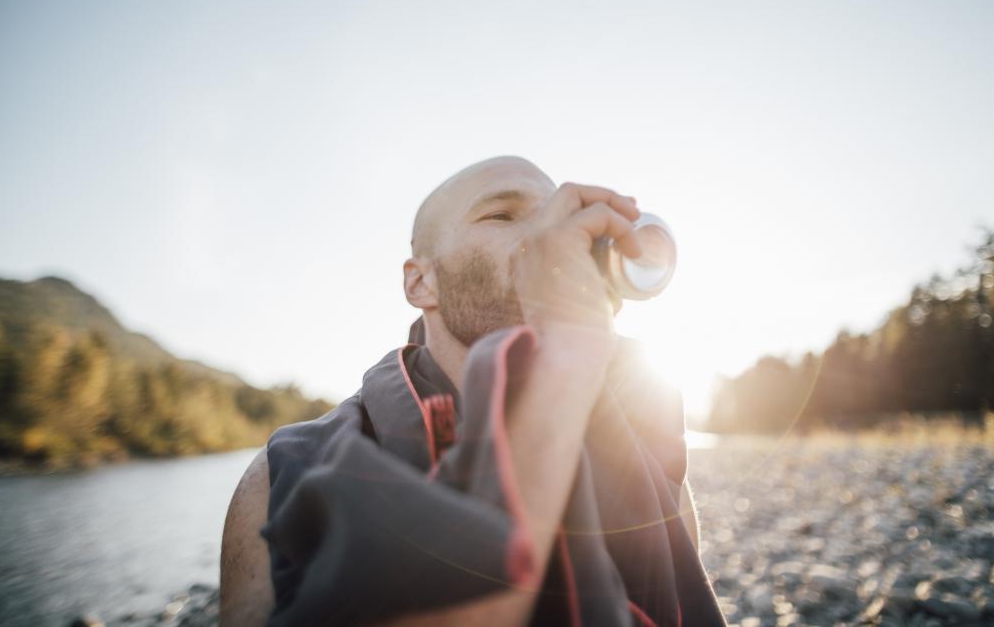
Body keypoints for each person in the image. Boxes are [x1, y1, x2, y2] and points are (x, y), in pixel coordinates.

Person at [220, 155, 725, 626]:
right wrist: (563, 356)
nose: (551, 235)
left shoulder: (650, 447)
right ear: (421, 283)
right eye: (503, 216)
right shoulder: (285, 472)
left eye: (557, 216)